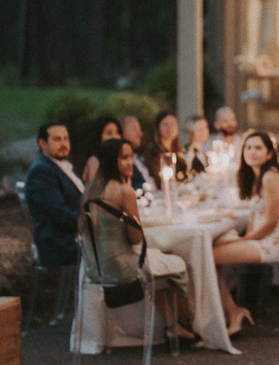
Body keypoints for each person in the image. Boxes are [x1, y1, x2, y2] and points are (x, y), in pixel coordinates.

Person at [80, 138, 197, 344]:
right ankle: (187, 324)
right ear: (111, 161)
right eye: (123, 157)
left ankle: (172, 326)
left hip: (94, 269)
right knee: (178, 263)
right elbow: (136, 239)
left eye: (131, 157)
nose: (129, 163)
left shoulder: (90, 190)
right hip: (124, 269)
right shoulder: (125, 191)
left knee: (160, 263)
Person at [213, 131, 279, 335]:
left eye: (258, 148)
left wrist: (244, 240)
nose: (252, 152)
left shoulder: (270, 177)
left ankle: (231, 312)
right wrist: (241, 239)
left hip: (272, 244)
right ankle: (228, 311)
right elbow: (254, 217)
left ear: (269, 154)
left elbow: (271, 223)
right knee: (212, 249)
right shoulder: (258, 177)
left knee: (207, 257)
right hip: (262, 240)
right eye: (248, 147)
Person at [25, 121, 83, 269]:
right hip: (59, 244)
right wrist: (93, 224)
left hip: (71, 236)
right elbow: (60, 215)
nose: (63, 143)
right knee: (115, 246)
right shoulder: (42, 172)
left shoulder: (61, 166)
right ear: (42, 143)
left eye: (66, 138)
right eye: (57, 139)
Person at [144, 110, 187, 189]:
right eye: (166, 124)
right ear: (158, 127)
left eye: (173, 124)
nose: (170, 128)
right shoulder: (153, 153)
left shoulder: (179, 151)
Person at [82, 116, 122, 184]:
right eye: (109, 133)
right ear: (99, 136)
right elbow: (94, 190)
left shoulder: (121, 160)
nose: (115, 137)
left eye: (117, 132)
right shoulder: (94, 161)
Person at [120, 115, 155, 191]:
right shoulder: (122, 163)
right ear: (121, 131)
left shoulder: (138, 159)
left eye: (140, 129)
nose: (140, 134)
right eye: (134, 129)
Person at [208, 106, 243, 172]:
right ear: (216, 125)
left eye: (232, 120)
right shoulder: (209, 146)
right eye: (225, 121)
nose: (230, 124)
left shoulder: (243, 144)